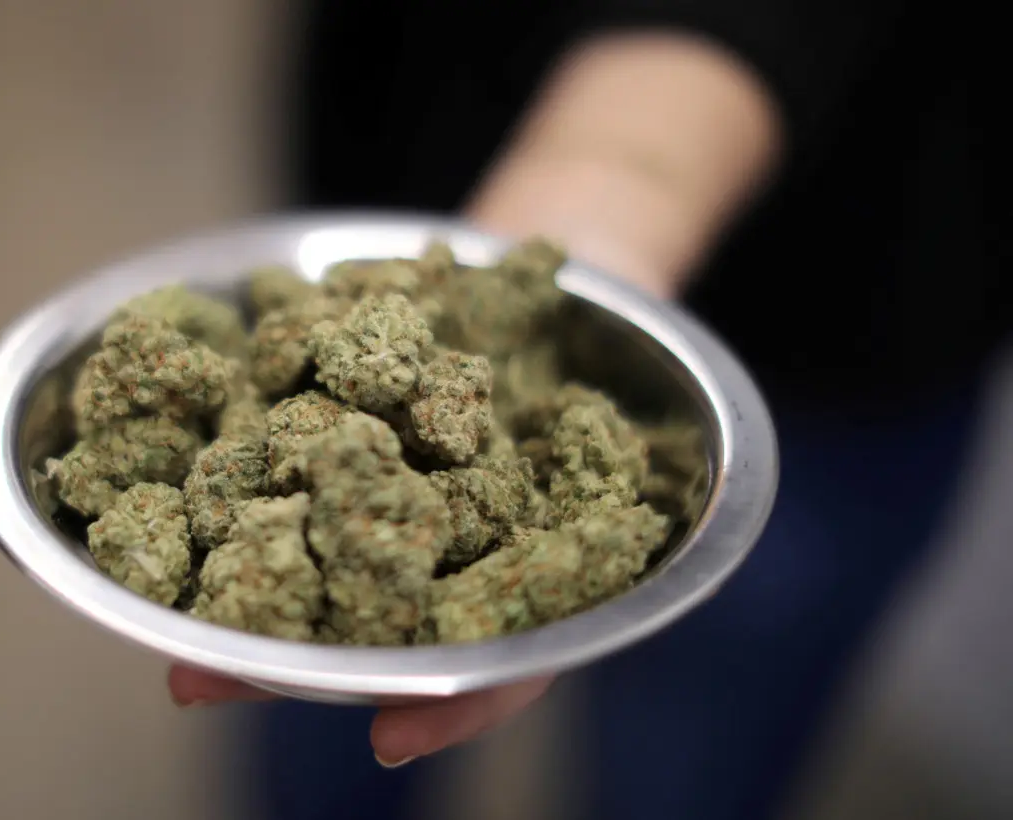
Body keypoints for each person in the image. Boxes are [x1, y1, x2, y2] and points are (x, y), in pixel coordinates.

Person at [168, 1, 1009, 817]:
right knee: (323, 716)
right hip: (424, 114)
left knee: (688, 754)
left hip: (841, 313)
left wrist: (622, 177)